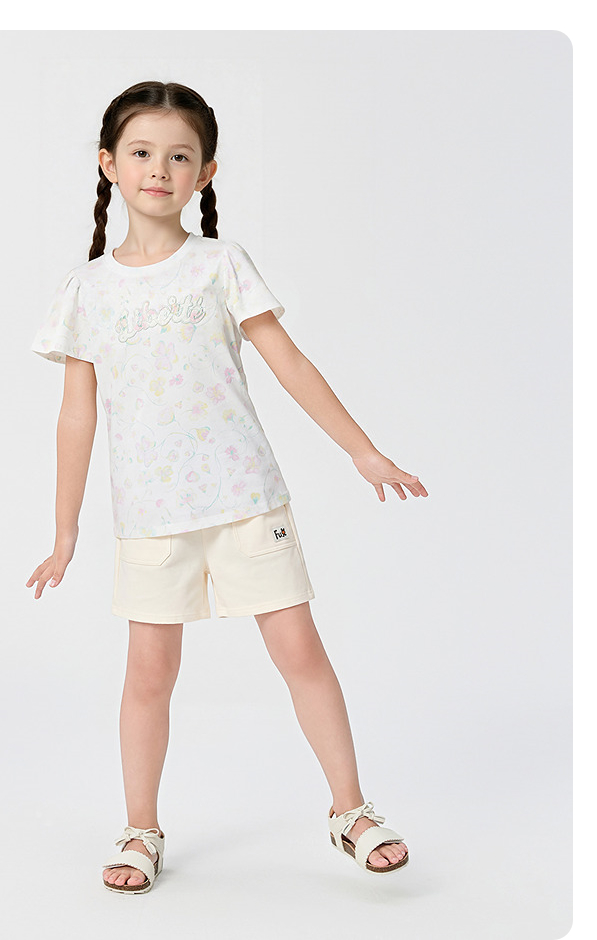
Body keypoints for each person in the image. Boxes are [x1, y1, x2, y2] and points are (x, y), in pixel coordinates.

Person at [27, 80, 427, 895]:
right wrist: (65, 532)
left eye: (180, 156)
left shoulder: (221, 264)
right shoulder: (87, 289)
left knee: (300, 652)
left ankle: (350, 810)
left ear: (205, 172)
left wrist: (363, 452)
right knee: (148, 676)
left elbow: (290, 364)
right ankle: (141, 828)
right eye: (142, 153)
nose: (160, 170)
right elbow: (76, 416)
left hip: (246, 500)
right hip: (151, 516)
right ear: (108, 164)